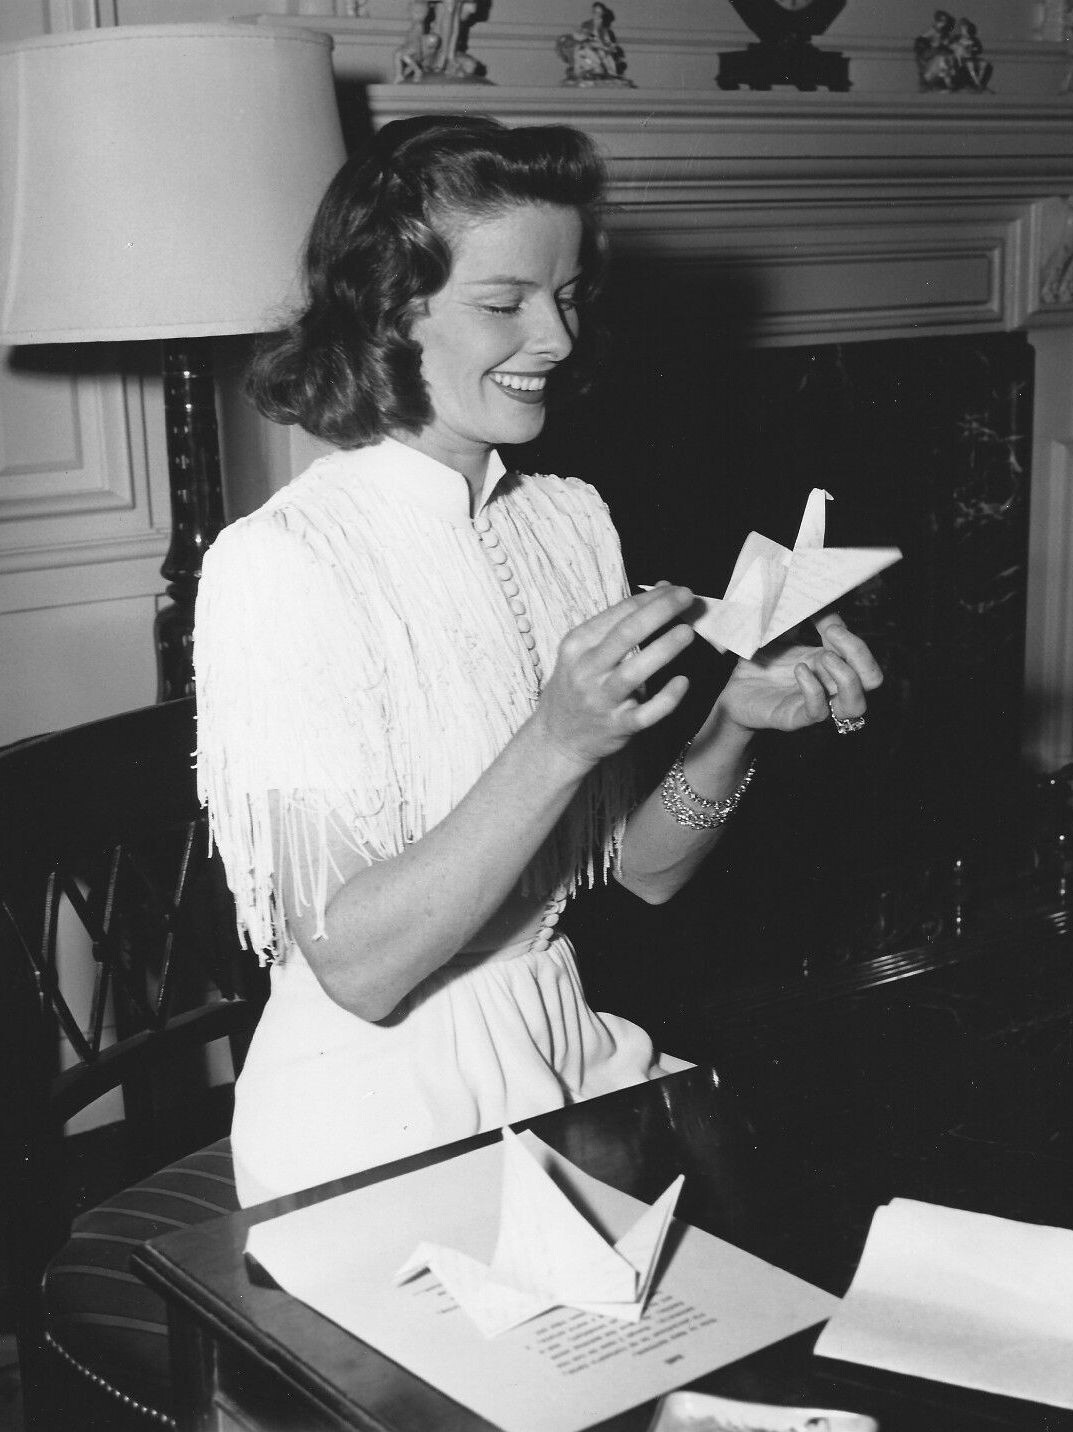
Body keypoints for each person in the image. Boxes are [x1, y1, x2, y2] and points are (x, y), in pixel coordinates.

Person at [193, 116, 882, 1207]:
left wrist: (732, 725)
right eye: (503, 302)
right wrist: (555, 739)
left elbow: (642, 872)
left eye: (565, 296)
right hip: (381, 1107)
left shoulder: (567, 519)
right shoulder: (282, 562)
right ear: (388, 308)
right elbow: (360, 971)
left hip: (569, 1051)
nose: (555, 337)